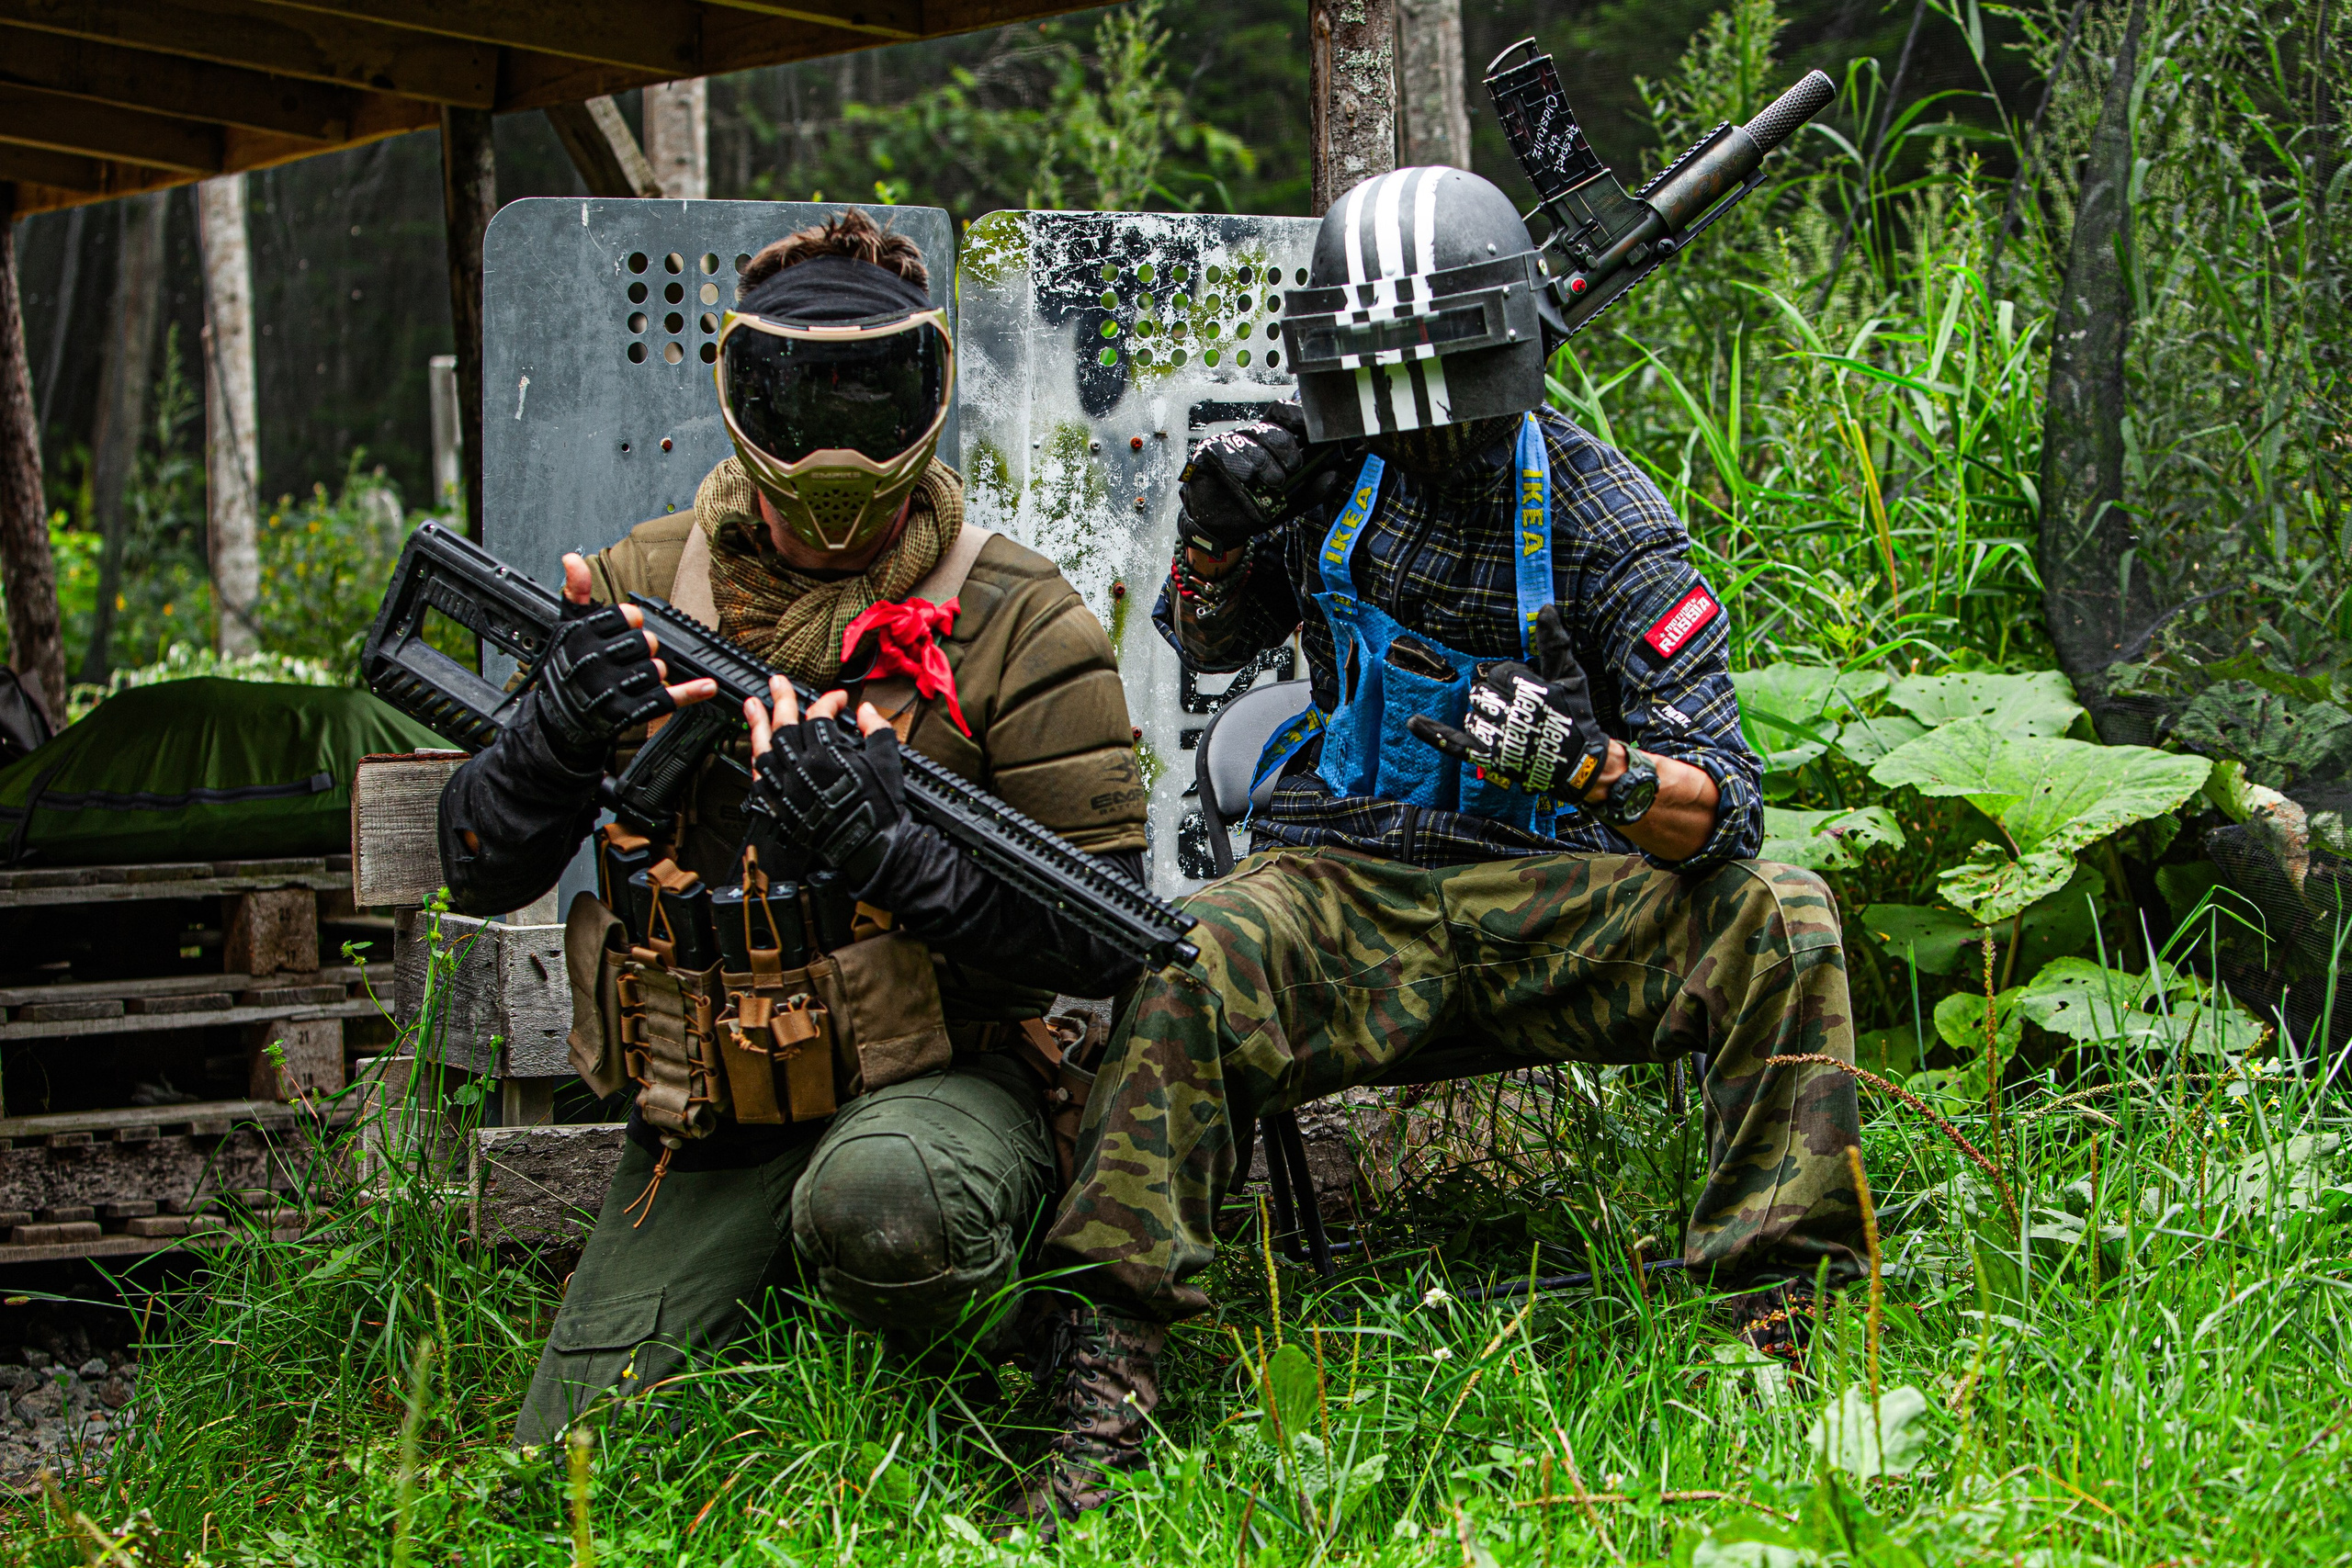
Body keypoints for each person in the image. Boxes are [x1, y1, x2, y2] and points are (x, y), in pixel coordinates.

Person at [1012, 165, 1867, 1529]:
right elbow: (1213, 648)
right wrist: (1221, 536)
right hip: (1340, 889)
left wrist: (1586, 766)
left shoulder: (1605, 516)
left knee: (1785, 913)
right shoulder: (1326, 470)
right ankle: (1104, 1377)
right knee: (1180, 961)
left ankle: (1777, 1321)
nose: (1420, 443)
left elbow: (1728, 804)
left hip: (1553, 901)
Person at [432, 208, 1151, 1446]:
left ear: (924, 400)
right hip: (710, 1109)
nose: (834, 450)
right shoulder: (641, 589)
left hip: (945, 1083)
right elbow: (479, 864)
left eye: (871, 404)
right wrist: (551, 731)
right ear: (743, 396)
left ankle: (1036, 1342)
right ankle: (786, 1306)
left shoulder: (1017, 616)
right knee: (574, 1461)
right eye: (800, 400)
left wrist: (898, 855)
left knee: (887, 1205)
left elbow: (1106, 941)